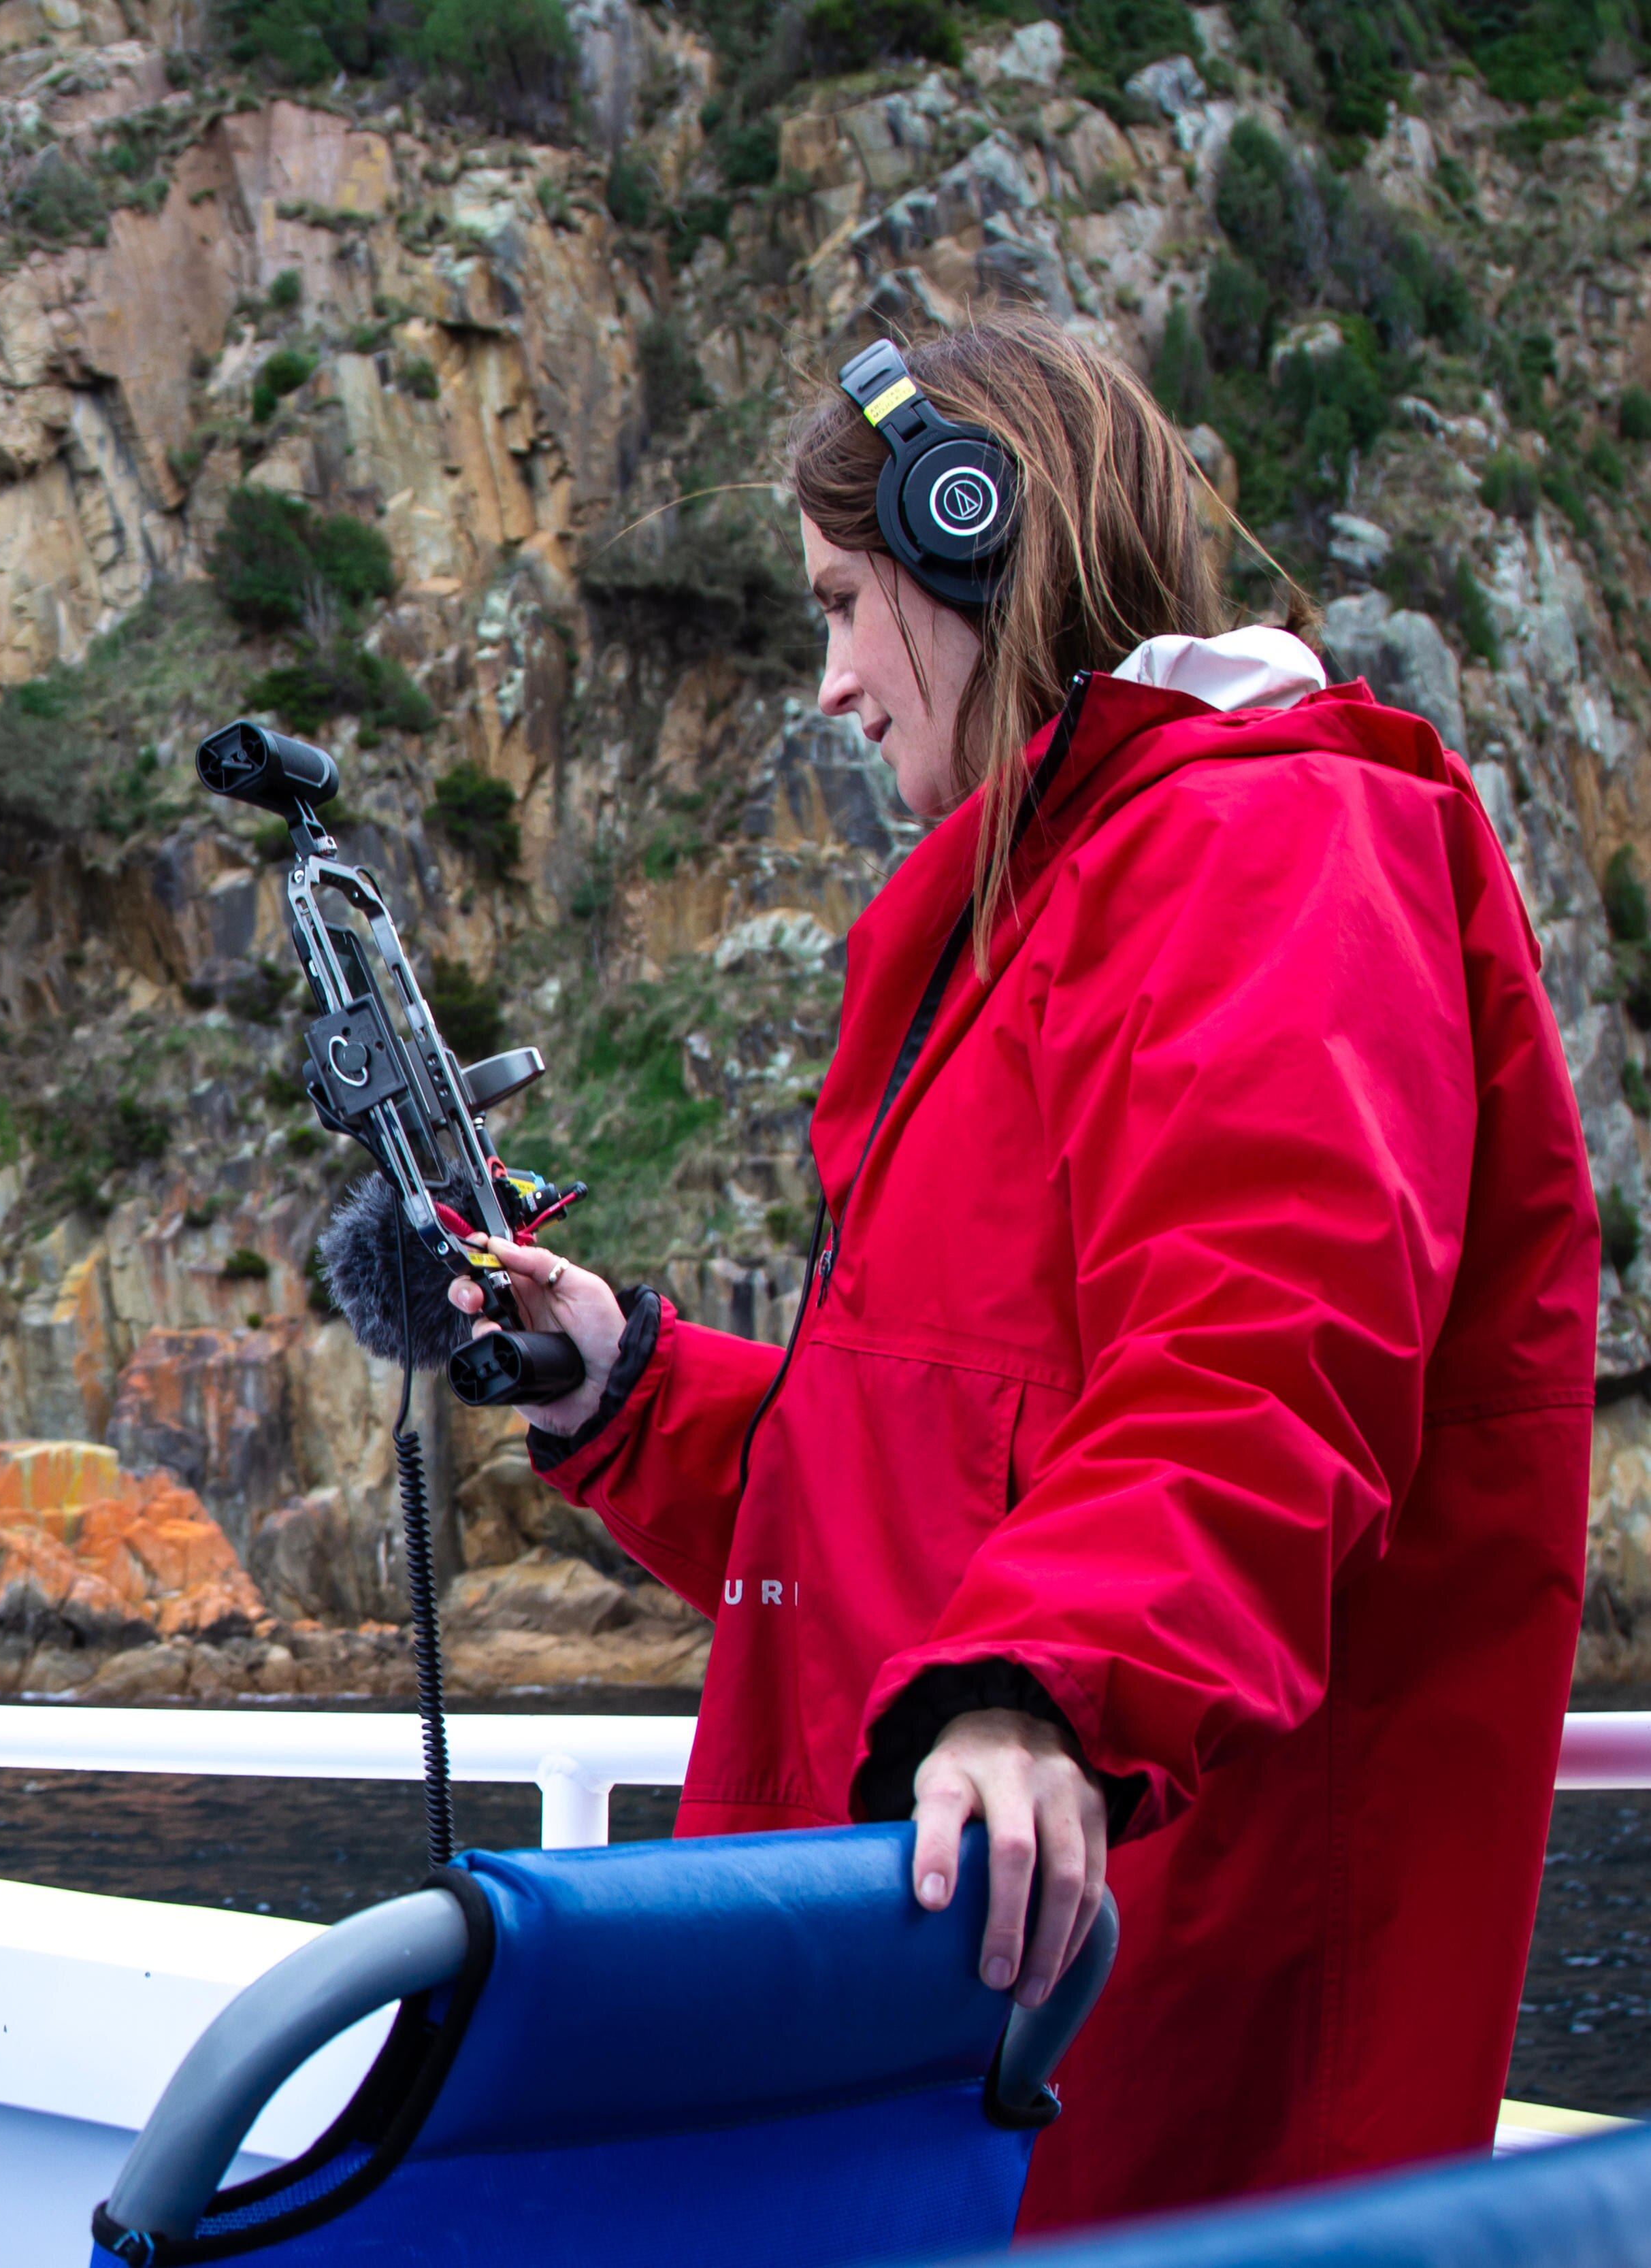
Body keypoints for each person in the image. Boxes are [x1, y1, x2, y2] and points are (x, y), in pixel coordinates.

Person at [464, 318, 1595, 2226]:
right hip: (948, 2036)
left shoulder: (1268, 836)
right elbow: (902, 1464)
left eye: (846, 602)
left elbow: (1266, 1343)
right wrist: (615, 1373)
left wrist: (1041, 1683)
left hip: (1124, 2070)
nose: (828, 682)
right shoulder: (1053, 899)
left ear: (976, 538)